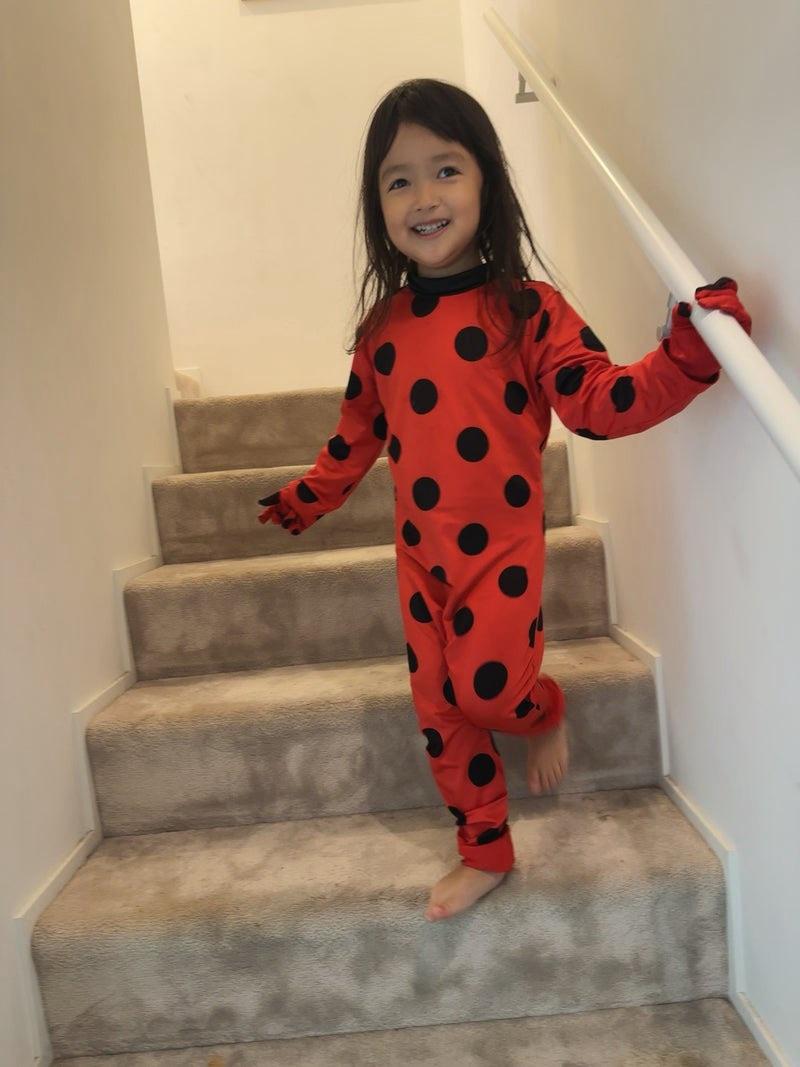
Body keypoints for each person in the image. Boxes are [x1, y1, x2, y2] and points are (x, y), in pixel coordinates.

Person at [256, 79, 752, 923]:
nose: (423, 196)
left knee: (488, 693)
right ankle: (484, 845)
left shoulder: (528, 310)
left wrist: (688, 355)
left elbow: (600, 404)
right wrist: (309, 497)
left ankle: (545, 706)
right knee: (440, 710)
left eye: (446, 170)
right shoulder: (382, 332)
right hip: (421, 556)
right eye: (399, 180)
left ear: (487, 180)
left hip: (501, 553)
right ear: (377, 206)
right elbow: (356, 434)